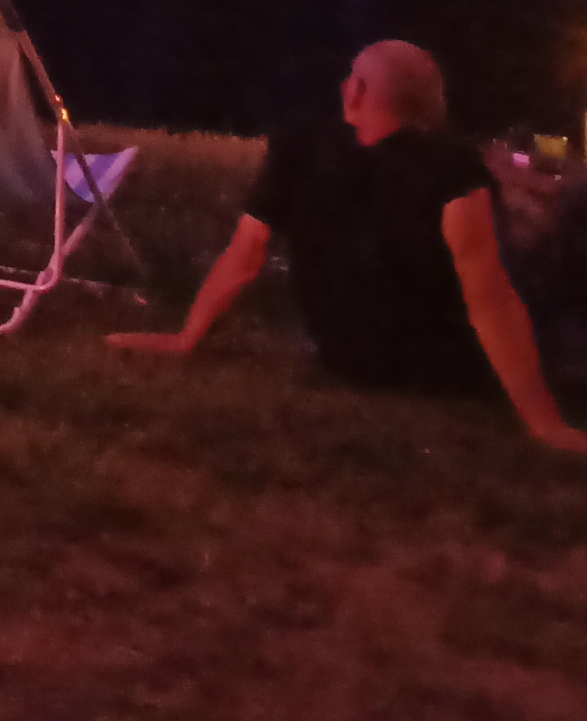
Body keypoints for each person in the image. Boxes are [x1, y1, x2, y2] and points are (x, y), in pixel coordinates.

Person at [112, 41, 587, 455]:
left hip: (346, 358)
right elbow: (489, 297)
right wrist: (543, 421)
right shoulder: (451, 166)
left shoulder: (299, 147)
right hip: (440, 364)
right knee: (562, 251)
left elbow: (246, 255)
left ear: (356, 92)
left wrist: (187, 337)